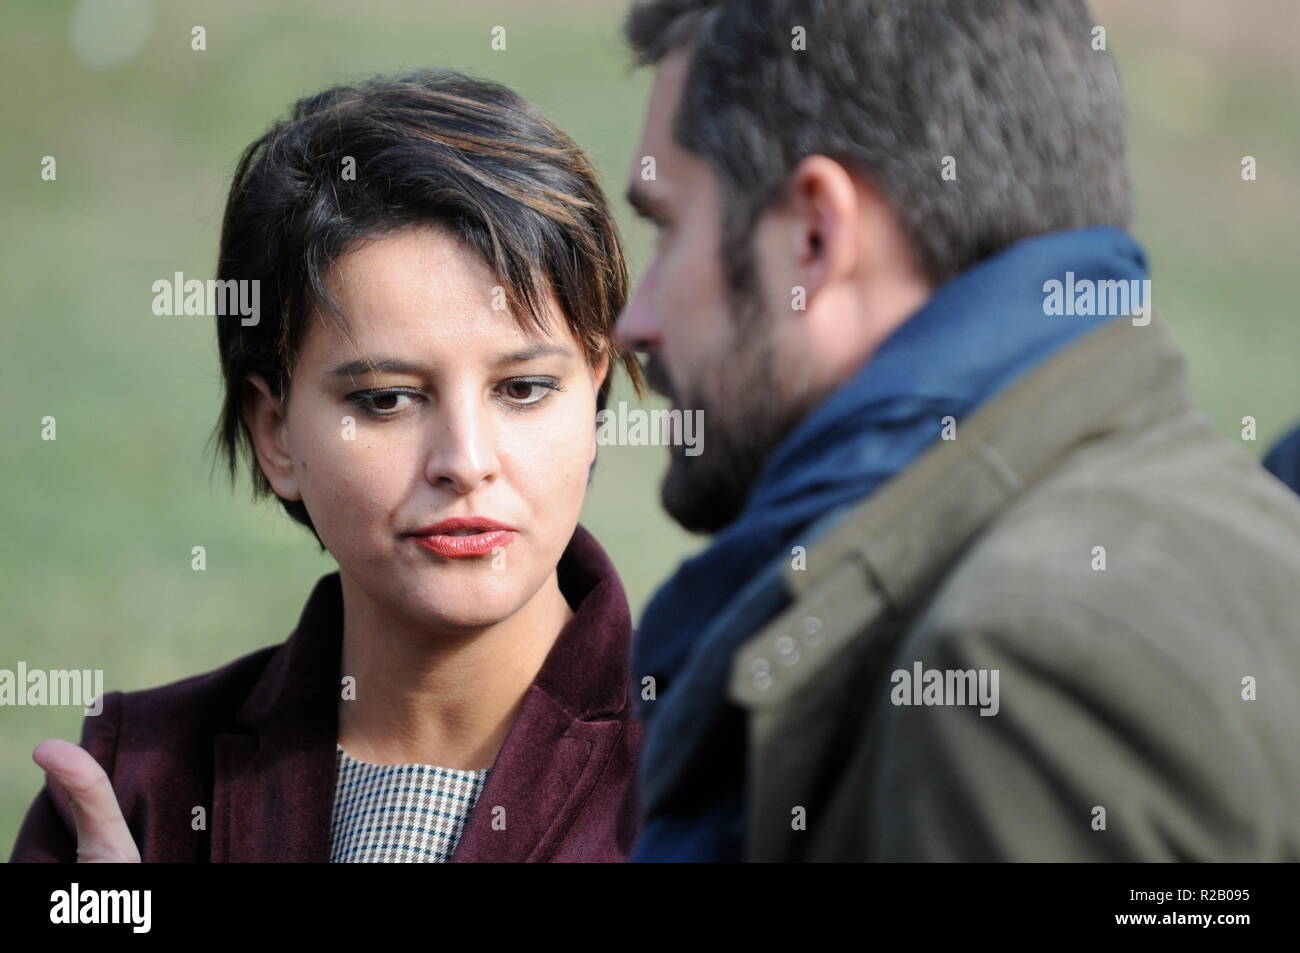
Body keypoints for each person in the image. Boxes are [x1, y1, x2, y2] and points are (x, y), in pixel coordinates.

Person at [615, 0, 1300, 861]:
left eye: (666, 228)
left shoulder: (1016, 670)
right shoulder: (1222, 518)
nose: (633, 324)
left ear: (817, 238)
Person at [11, 68, 645, 863]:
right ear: (275, 433)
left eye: (522, 388)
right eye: (386, 399)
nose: (465, 461)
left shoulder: (738, 773)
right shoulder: (134, 791)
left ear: (592, 397)